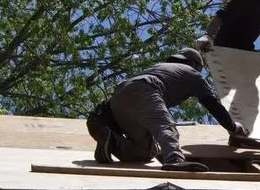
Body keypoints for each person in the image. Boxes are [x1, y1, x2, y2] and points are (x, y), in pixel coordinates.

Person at [91, 48, 249, 172]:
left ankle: (112, 140)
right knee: (165, 127)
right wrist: (233, 127)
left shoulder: (159, 67)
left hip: (119, 97)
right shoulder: (192, 74)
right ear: (194, 64)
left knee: (146, 151)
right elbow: (211, 104)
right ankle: (174, 159)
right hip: (146, 89)